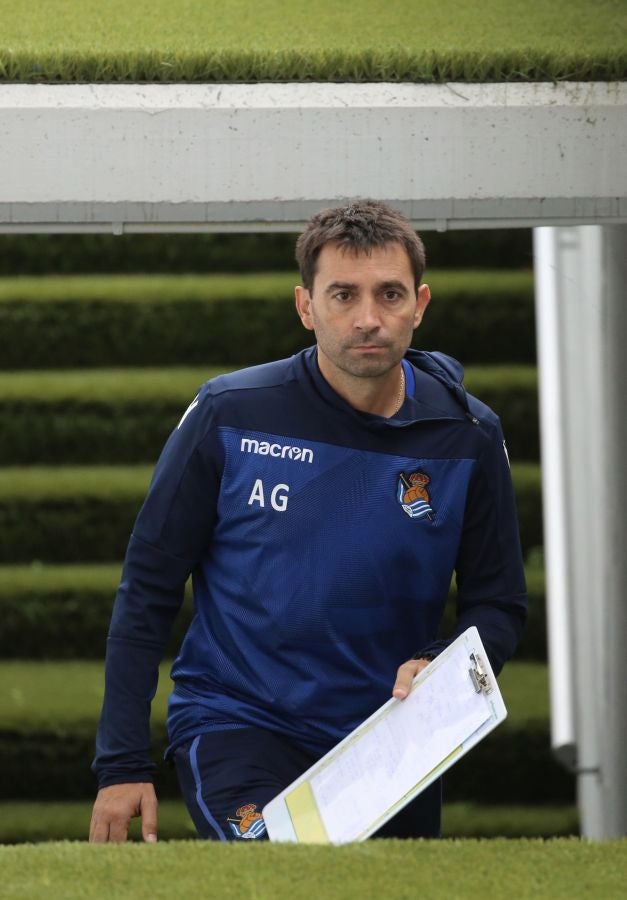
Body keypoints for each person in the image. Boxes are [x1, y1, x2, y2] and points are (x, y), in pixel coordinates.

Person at [89, 200, 527, 843]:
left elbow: (499, 602)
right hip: (240, 725)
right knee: (283, 877)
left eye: (390, 294)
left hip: (388, 745)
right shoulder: (229, 413)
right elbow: (147, 588)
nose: (368, 319)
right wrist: (122, 761)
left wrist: (443, 660)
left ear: (421, 304)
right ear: (305, 306)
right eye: (343, 295)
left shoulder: (469, 436)